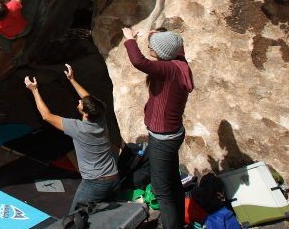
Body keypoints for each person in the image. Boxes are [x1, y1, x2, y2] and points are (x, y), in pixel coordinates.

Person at [122, 27, 195, 229]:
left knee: (162, 190)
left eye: (152, 46)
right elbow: (173, 45)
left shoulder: (167, 70)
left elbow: (139, 61)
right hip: (172, 134)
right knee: (172, 182)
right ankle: (179, 221)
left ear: (163, 53)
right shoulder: (180, 64)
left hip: (162, 138)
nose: (149, 47)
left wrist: (129, 40)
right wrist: (158, 35)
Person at [24, 64, 120, 214]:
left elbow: (46, 116)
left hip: (95, 183)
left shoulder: (78, 128)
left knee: (74, 217)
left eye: (81, 104)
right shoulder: (100, 118)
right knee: (101, 215)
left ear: (86, 114)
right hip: (113, 178)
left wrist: (34, 90)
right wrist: (72, 79)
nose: (79, 102)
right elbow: (89, 100)